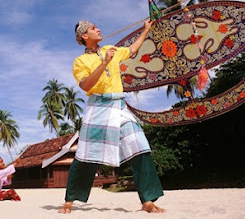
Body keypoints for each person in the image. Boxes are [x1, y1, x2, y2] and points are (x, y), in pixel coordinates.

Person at [58, 20, 165, 214]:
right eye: (92, 28)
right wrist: (105, 61)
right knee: (85, 154)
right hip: (98, 106)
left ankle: (147, 200)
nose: (98, 28)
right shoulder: (80, 62)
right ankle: (70, 200)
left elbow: (132, 50)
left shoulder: (110, 48)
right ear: (84, 36)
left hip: (119, 105)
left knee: (139, 145)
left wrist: (146, 30)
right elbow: (86, 85)